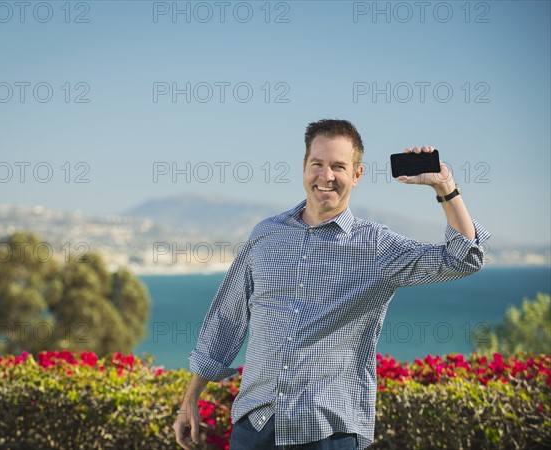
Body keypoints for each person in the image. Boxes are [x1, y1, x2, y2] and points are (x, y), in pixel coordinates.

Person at [173, 119, 490, 450]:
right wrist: (190, 399)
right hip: (255, 428)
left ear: (357, 175)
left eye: (338, 166)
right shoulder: (265, 235)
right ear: (304, 168)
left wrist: (445, 188)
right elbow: (226, 318)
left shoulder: (377, 246)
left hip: (328, 433)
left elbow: (463, 258)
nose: (326, 176)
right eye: (318, 165)